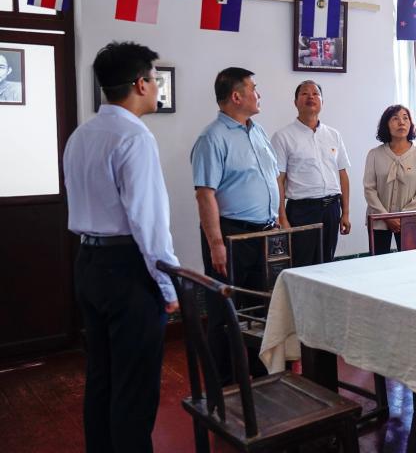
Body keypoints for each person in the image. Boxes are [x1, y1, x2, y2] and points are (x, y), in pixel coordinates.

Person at [65, 41, 180, 453]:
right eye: (154, 79)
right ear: (140, 84)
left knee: (102, 376)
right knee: (134, 386)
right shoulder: (135, 137)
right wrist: (169, 287)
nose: (155, 87)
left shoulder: (82, 134)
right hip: (127, 269)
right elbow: (149, 223)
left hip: (88, 263)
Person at [191, 66, 279, 384]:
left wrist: (277, 221)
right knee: (224, 310)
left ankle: (260, 374)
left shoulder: (258, 131)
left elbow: (272, 177)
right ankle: (224, 385)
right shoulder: (212, 138)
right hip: (231, 234)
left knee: (259, 308)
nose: (259, 94)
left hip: (263, 233)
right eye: (254, 88)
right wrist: (216, 243)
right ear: (236, 96)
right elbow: (205, 194)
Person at [271, 80, 351, 265]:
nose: (310, 97)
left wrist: (345, 212)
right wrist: (282, 218)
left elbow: (343, 175)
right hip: (302, 211)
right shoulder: (283, 137)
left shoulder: (333, 135)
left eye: (315, 94)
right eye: (305, 93)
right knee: (302, 264)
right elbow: (278, 180)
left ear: (322, 101)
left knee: (327, 263)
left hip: (331, 209)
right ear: (295, 102)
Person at [364, 104, 416, 252]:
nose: (401, 122)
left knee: (409, 261)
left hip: (409, 220)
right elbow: (369, 190)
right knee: (379, 261)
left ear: (410, 124)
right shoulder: (374, 154)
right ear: (386, 125)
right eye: (395, 119)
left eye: (405, 118)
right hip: (379, 220)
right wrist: (386, 216)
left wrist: (402, 216)